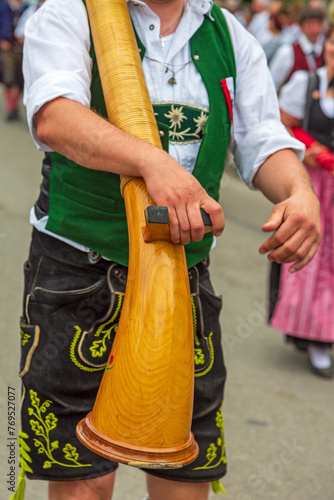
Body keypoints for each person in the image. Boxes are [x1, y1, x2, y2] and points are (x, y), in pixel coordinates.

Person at [14, 0, 321, 499]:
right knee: (81, 480)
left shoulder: (228, 34)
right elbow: (54, 115)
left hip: (184, 276)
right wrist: (153, 164)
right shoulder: (71, 10)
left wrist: (298, 191)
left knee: (186, 475)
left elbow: (262, 138)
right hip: (79, 273)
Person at [269, 24, 334, 378]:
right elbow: (280, 124)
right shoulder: (307, 83)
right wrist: (308, 149)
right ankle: (315, 335)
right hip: (316, 185)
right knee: (314, 258)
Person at [269, 5, 326, 92]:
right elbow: (272, 85)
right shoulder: (287, 52)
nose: (314, 29)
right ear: (301, 27)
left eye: (318, 24)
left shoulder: (327, 51)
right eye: (309, 24)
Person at [0, 0, 26, 121]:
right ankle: (11, 108)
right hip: (8, 48)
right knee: (9, 79)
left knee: (21, 79)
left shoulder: (25, 7)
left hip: (23, 48)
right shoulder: (3, 6)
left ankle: (15, 105)